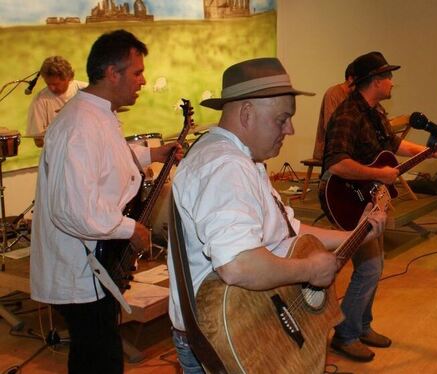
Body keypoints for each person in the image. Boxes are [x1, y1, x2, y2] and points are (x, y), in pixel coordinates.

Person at [167, 57, 386, 373]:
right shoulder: (226, 167)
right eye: (282, 118)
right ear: (246, 113)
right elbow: (239, 264)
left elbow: (286, 230)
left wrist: (360, 232)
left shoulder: (241, 159)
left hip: (253, 323)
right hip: (232, 340)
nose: (291, 129)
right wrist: (309, 270)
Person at [30, 29, 182, 373]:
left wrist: (152, 153)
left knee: (96, 353)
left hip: (91, 263)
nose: (142, 81)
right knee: (100, 358)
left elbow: (107, 159)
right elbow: (73, 209)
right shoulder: (79, 125)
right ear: (112, 73)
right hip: (79, 267)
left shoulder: (96, 113)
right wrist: (130, 228)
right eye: (137, 72)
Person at [323, 51, 437, 362]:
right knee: (371, 267)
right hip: (349, 200)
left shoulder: (375, 112)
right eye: (388, 77)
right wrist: (379, 174)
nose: (392, 82)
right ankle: (345, 335)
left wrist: (429, 151)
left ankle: (362, 326)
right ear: (375, 82)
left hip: (371, 196)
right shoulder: (348, 114)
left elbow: (392, 145)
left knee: (373, 266)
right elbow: (335, 164)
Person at [26, 56, 87, 147]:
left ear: (69, 77)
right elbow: (38, 142)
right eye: (48, 84)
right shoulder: (40, 100)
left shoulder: (86, 90)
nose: (51, 88)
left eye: (56, 84)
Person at [312, 61, 355, 160]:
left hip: (348, 148)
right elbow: (330, 126)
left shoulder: (355, 96)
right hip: (330, 149)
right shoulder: (333, 93)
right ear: (350, 79)